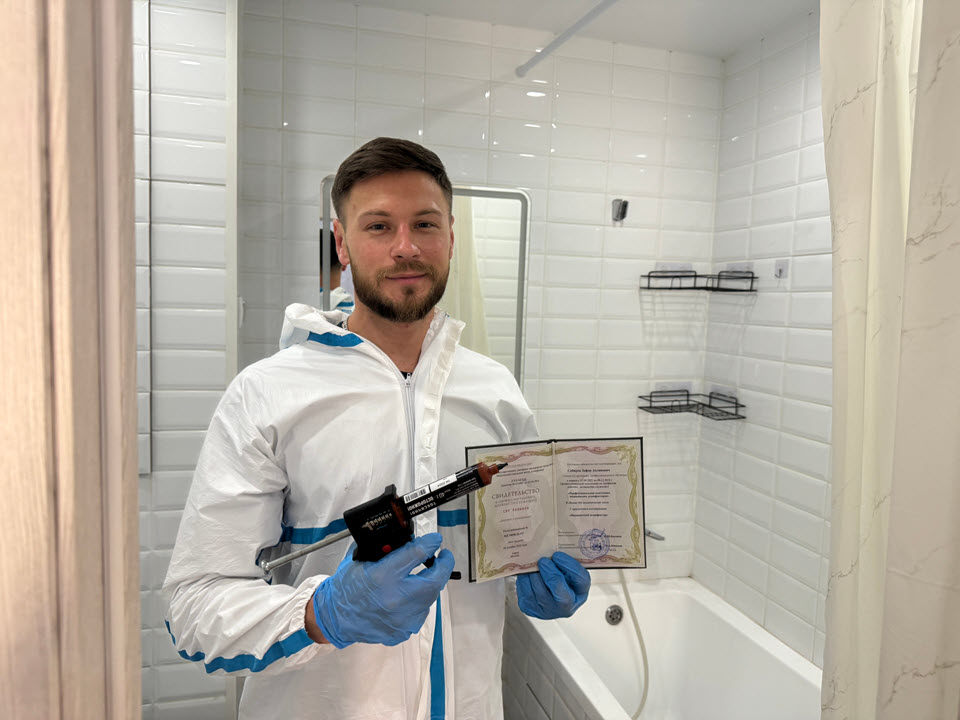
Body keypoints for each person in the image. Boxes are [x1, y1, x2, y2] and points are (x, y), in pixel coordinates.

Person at [162, 137, 591, 720]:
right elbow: (192, 609)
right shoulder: (266, 395)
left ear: (451, 238)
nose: (406, 247)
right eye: (379, 226)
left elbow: (513, 550)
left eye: (425, 224)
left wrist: (531, 583)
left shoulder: (497, 393)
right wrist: (323, 614)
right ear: (342, 243)